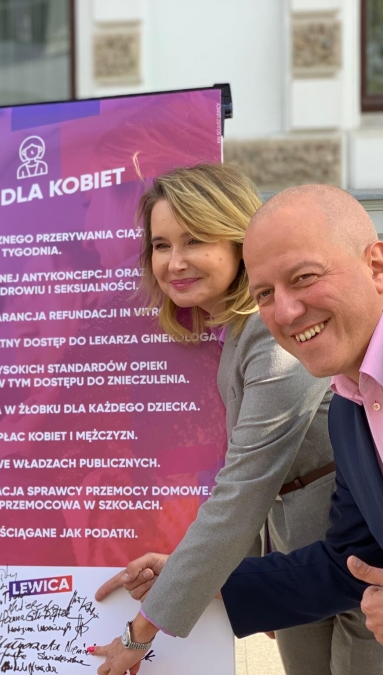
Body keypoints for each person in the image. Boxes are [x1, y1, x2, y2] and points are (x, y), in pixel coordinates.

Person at [92, 167, 383, 675]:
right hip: (309, 558)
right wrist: (244, 580)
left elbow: (245, 487)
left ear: (236, 242)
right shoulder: (249, 338)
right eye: (161, 245)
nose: (175, 261)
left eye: (195, 239)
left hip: (345, 562)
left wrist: (144, 628)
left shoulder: (278, 338)